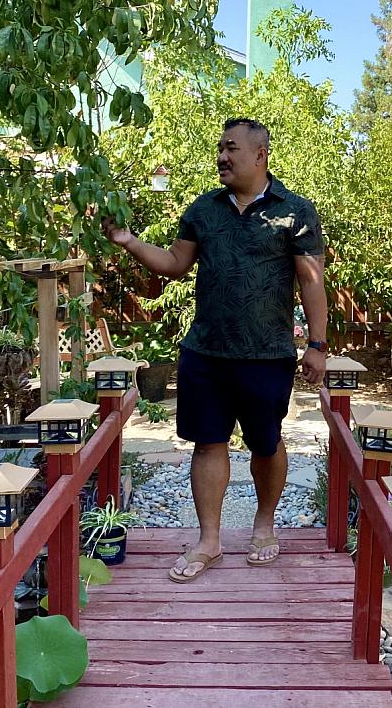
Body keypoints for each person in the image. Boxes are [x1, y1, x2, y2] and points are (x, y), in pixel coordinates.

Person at [104, 118, 328, 582]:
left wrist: (318, 344)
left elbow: (311, 281)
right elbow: (175, 265)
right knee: (207, 445)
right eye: (220, 148)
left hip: (267, 352)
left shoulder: (295, 211)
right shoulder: (203, 210)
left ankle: (263, 525)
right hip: (206, 350)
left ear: (260, 154)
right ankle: (209, 540)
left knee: (266, 442)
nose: (222, 157)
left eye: (231, 148)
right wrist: (128, 242)